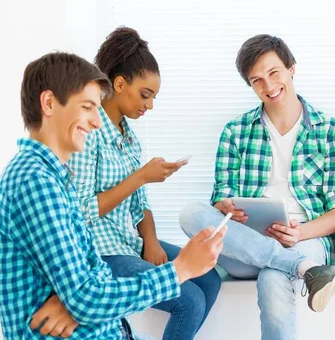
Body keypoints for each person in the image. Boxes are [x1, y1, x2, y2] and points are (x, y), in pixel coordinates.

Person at [0, 52, 225, 339]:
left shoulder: (57, 177)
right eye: (87, 107)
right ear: (49, 104)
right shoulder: (36, 182)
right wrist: (179, 270)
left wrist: (76, 301)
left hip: (109, 319)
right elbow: (88, 294)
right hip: (96, 316)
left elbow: (91, 279)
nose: (96, 122)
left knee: (207, 281)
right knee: (189, 297)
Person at [179, 34, 335, 340]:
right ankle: (304, 269)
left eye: (274, 73)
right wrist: (226, 206)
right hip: (246, 244)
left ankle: (298, 263)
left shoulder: (329, 130)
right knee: (191, 214)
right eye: (257, 80)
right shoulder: (235, 131)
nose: (268, 86)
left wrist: (301, 232)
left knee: (274, 277)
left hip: (305, 240)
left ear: (292, 69)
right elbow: (221, 196)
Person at [67, 27, 222, 340]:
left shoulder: (130, 139)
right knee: (189, 301)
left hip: (128, 242)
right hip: (99, 253)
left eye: (153, 97)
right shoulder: (87, 133)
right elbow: (79, 214)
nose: (149, 105)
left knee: (211, 278)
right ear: (120, 84)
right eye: (145, 95)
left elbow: (140, 205)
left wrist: (150, 241)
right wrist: (141, 176)